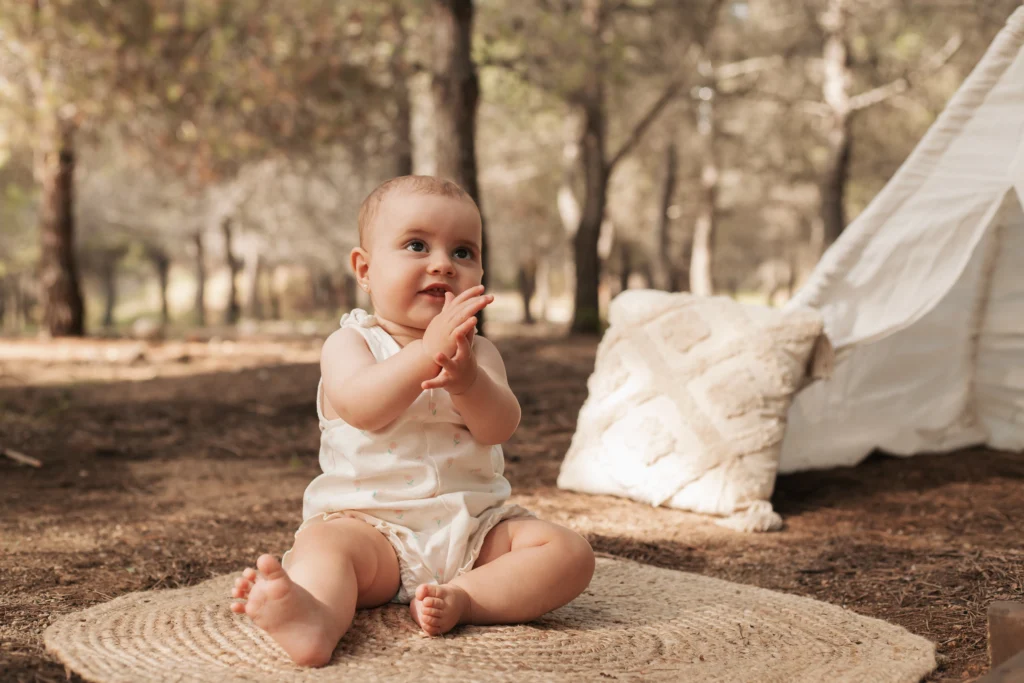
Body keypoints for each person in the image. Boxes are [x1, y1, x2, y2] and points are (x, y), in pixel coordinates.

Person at [229, 175, 595, 667]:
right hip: (372, 531)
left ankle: (468, 598)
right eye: (417, 245)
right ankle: (313, 619)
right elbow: (363, 407)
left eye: (464, 252)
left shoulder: (480, 353)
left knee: (569, 553)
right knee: (324, 549)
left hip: (476, 530)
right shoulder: (351, 344)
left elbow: (498, 427)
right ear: (365, 269)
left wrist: (467, 380)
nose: (443, 263)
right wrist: (427, 352)